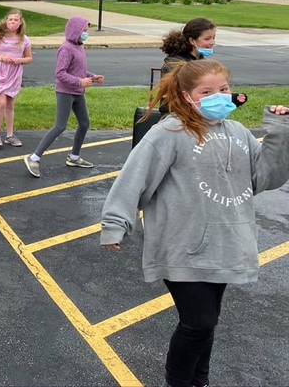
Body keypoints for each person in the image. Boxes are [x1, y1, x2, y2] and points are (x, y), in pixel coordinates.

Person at [100, 59, 289, 387]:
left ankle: (197, 381)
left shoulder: (238, 133)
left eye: (224, 89)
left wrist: (279, 132)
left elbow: (264, 178)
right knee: (198, 323)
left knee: (207, 323)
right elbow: (135, 178)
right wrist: (116, 222)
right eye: (208, 91)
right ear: (188, 96)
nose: (220, 95)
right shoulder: (169, 133)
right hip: (182, 247)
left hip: (227, 246)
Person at [24, 17, 103, 178]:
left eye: (87, 31)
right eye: (84, 30)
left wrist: (93, 77)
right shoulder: (66, 49)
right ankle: (34, 158)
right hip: (65, 92)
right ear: (76, 31)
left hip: (78, 92)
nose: (86, 34)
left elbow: (78, 71)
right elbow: (60, 74)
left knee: (84, 123)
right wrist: (80, 81)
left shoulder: (79, 47)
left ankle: (74, 157)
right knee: (60, 126)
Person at [0, 9, 33, 148]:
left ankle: (10, 135)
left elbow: (29, 58)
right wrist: (2, 58)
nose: (12, 22)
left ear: (20, 22)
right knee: (1, 103)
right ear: (6, 21)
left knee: (10, 105)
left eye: (16, 20)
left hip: (14, 74)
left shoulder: (25, 39)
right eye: (10, 19)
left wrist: (20, 60)